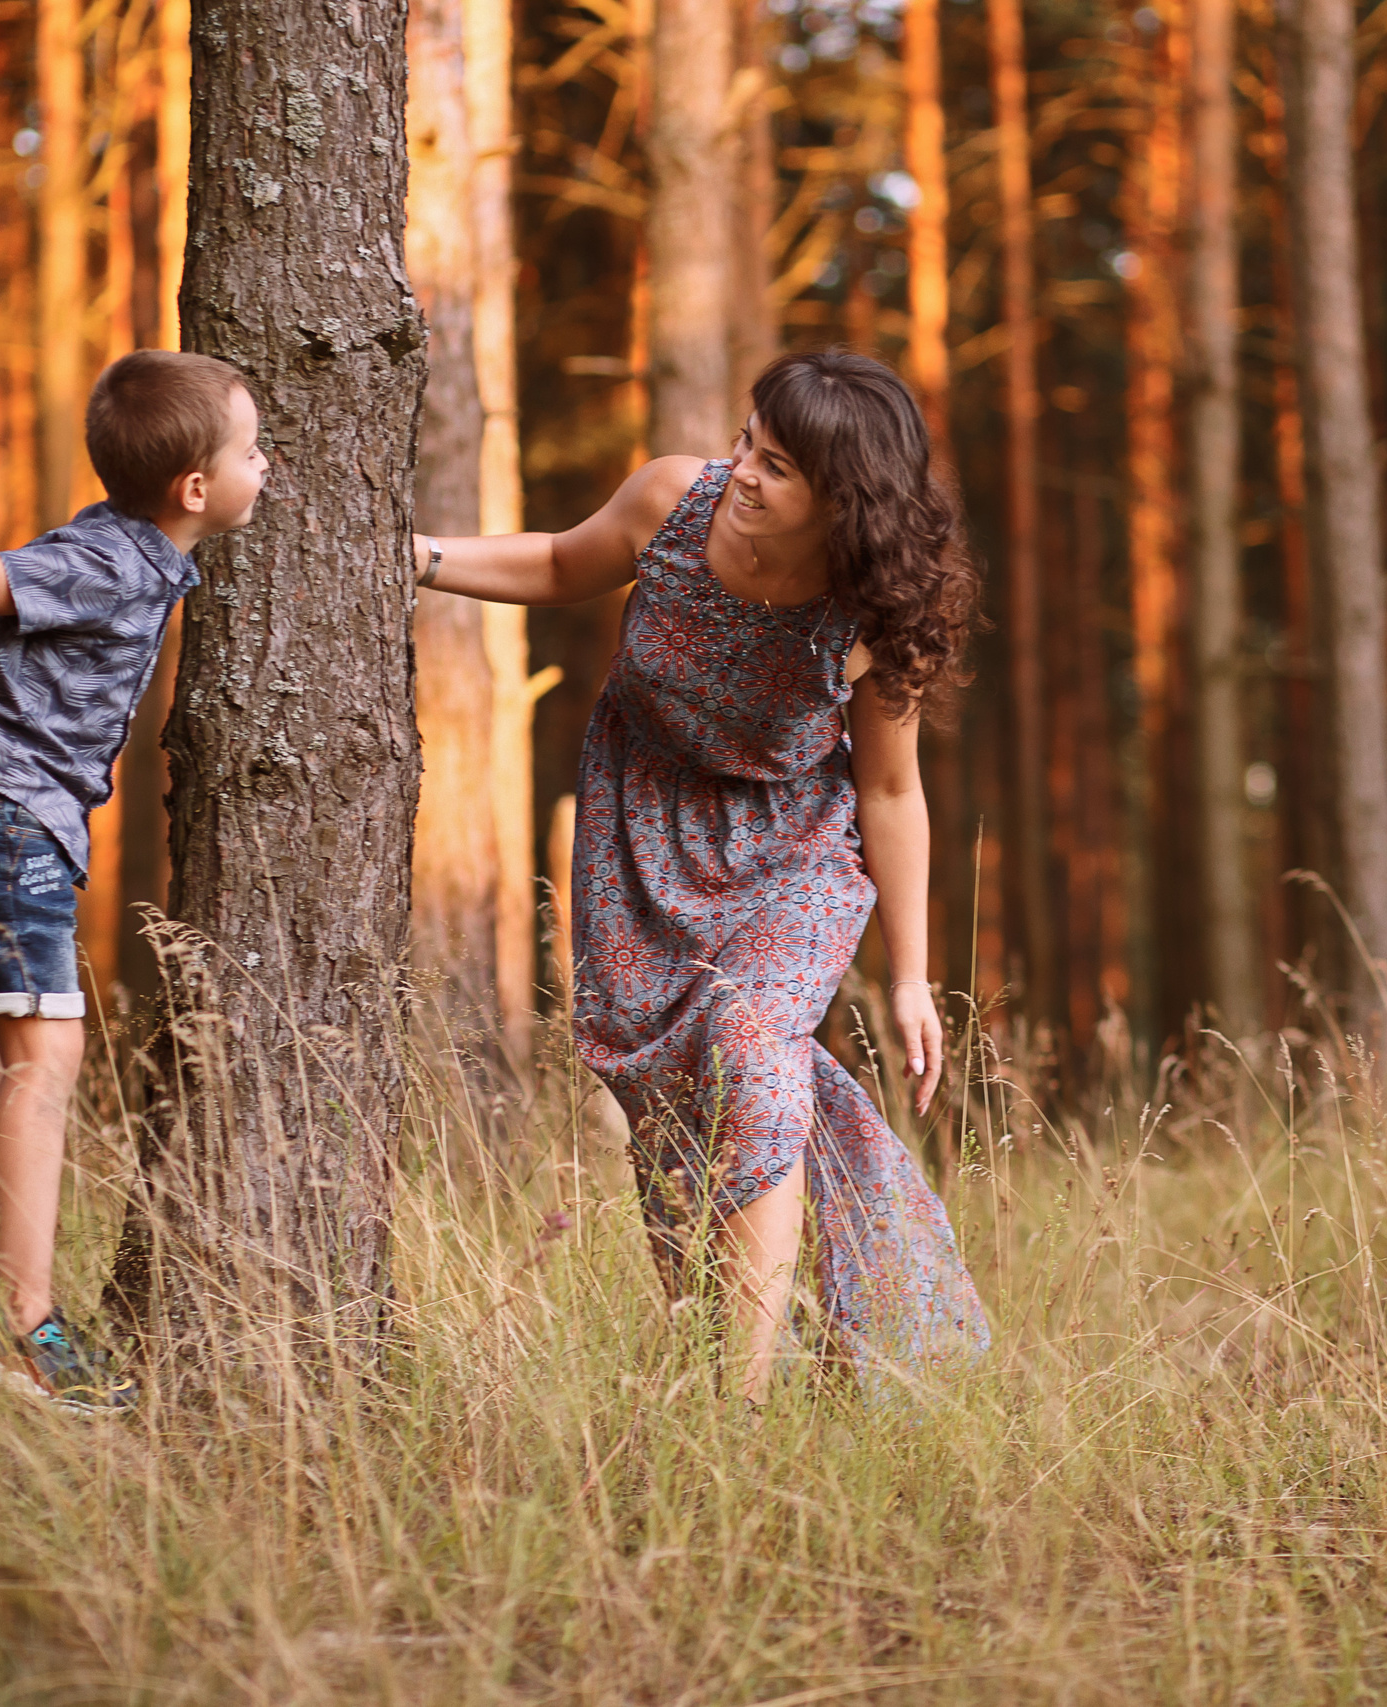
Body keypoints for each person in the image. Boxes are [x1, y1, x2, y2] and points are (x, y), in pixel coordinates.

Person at [414, 348, 991, 1399]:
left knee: (749, 1048)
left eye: (775, 466)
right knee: (671, 1109)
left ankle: (742, 1403)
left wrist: (911, 975)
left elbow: (891, 794)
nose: (743, 474)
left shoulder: (875, 616)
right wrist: (415, 555)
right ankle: (718, 1349)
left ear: (843, 501)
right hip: (638, 831)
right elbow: (553, 566)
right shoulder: (674, 503)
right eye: (747, 444)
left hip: (792, 852)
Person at [0, 349, 269, 1413]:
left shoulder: (119, 549)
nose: (264, 466)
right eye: (250, 450)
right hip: (1, 820)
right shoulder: (118, 563)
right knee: (45, 1055)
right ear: (194, 489)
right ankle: (34, 1326)